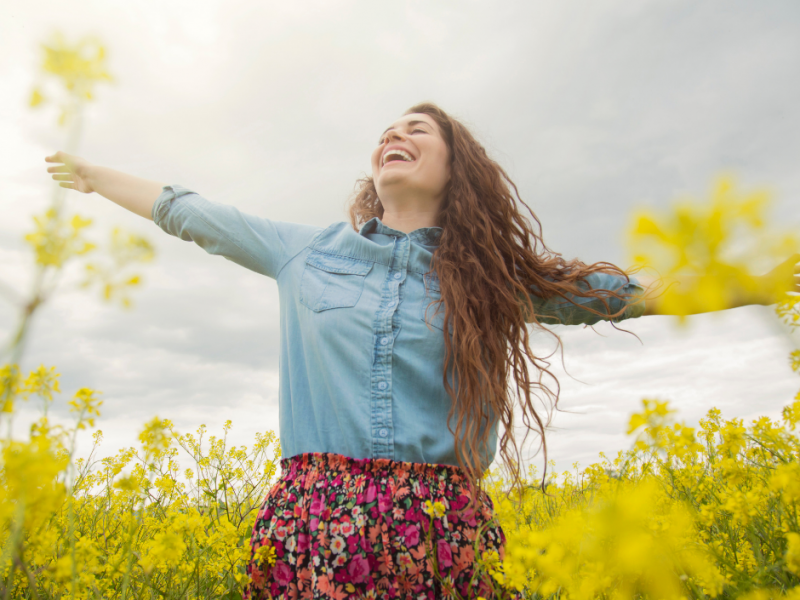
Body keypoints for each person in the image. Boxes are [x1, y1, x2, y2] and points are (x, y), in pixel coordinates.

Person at [44, 102, 799, 600]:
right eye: (385, 132)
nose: (392, 137)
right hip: (313, 525)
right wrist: (96, 176)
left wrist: (761, 283)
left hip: (442, 527)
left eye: (417, 130)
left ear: (454, 169)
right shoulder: (305, 253)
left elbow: (631, 293)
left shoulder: (495, 278)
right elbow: (191, 214)